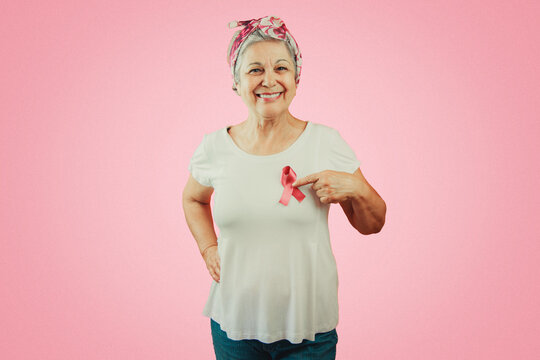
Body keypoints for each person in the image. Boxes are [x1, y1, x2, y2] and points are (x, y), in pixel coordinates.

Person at [182, 15, 386, 360]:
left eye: (281, 68)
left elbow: (373, 224)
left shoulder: (326, 142)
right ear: (236, 80)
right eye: (255, 70)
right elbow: (192, 198)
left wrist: (356, 188)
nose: (270, 80)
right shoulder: (213, 147)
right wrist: (207, 248)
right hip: (234, 325)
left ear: (295, 77)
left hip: (309, 330)